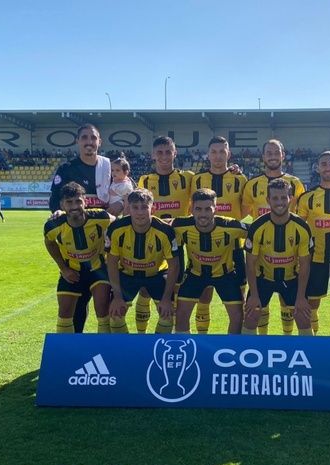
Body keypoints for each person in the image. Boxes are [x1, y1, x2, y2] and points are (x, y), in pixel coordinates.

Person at [49, 124, 116, 334]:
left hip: (103, 245)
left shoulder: (108, 167)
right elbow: (54, 201)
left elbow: (122, 194)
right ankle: (75, 349)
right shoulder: (66, 169)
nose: (89, 142)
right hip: (76, 248)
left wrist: (119, 207)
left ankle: (107, 349)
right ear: (78, 141)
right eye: (84, 138)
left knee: (104, 303)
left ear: (99, 142)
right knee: (77, 304)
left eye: (93, 138)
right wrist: (59, 214)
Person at [242, 139, 306, 334]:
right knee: (258, 307)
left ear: (283, 155)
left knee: (292, 307)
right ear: (263, 157)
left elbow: (301, 213)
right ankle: (260, 345)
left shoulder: (295, 183)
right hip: (262, 252)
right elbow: (241, 211)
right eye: (268, 152)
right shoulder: (252, 184)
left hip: (290, 253)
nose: (272, 155)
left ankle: (287, 341)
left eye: (276, 152)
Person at [135, 136, 194, 333]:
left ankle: (172, 336)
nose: (164, 156)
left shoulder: (188, 178)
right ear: (153, 155)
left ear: (175, 153)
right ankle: (142, 337)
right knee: (144, 290)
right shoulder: (145, 180)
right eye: (159, 152)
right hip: (150, 243)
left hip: (177, 244)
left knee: (175, 290)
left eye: (168, 152)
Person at [191, 136, 249, 334]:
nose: (217, 156)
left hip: (234, 248)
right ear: (208, 155)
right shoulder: (197, 179)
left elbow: (245, 210)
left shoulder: (240, 179)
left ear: (229, 154)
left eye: (222, 152)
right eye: (214, 152)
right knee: (203, 297)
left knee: (237, 300)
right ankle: (202, 341)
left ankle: (235, 346)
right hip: (203, 246)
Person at [173, 189, 248, 334]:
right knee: (180, 314)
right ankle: (189, 350)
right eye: (198, 209)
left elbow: (257, 231)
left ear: (215, 209)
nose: (203, 214)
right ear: (191, 209)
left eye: (208, 209)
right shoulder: (180, 225)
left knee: (238, 316)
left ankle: (231, 350)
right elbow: (157, 225)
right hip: (195, 274)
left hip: (225, 276)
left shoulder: (230, 226)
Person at [106, 189, 179, 333]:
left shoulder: (166, 231)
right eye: (135, 207)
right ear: (128, 209)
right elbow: (112, 262)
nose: (140, 212)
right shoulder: (116, 229)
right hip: (127, 275)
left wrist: (166, 299)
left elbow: (174, 265)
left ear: (153, 208)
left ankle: (157, 351)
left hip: (157, 275)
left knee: (168, 316)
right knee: (115, 315)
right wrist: (117, 296)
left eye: (145, 207)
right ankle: (127, 351)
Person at [44, 182, 114, 333]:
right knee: (64, 313)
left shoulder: (100, 217)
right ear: (62, 204)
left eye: (78, 201)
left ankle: (107, 349)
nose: (74, 206)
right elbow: (49, 242)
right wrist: (63, 268)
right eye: (69, 202)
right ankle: (66, 352)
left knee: (102, 308)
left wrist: (109, 246)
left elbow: (118, 223)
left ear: (85, 201)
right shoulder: (53, 225)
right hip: (72, 272)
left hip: (98, 270)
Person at [297, 151, 330, 335]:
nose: (328, 167)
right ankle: (313, 344)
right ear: (318, 168)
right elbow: (299, 228)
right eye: (324, 164)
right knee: (312, 303)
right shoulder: (307, 197)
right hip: (315, 258)